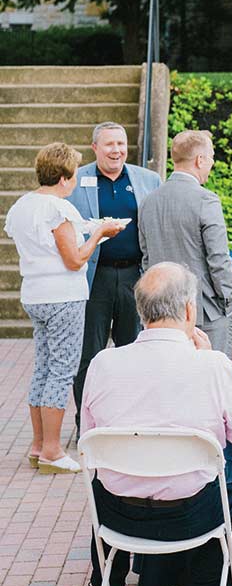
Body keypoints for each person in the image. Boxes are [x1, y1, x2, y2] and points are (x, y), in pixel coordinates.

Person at [71, 263, 232, 586]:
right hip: (193, 516)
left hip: (117, 516)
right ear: (189, 310)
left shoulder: (102, 364)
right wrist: (213, 362)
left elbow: (88, 448)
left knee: (104, 479)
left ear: (140, 311)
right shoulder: (213, 366)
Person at [5, 143, 124, 474]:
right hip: (64, 298)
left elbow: (50, 245)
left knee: (43, 367)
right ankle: (54, 451)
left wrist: (91, 229)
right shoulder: (59, 209)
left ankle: (38, 444)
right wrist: (101, 231)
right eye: (73, 174)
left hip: (35, 294)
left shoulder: (22, 206)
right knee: (61, 370)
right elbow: (74, 260)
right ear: (63, 177)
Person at [66, 122, 161, 430]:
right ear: (95, 148)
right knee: (89, 355)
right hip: (95, 278)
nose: (116, 150)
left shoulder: (148, 180)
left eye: (120, 144)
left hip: (136, 277)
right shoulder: (77, 181)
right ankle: (86, 423)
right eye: (109, 144)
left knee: (134, 352)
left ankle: (130, 420)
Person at [138, 130, 232, 356]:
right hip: (204, 309)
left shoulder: (148, 201)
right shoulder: (206, 199)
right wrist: (228, 300)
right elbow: (218, 259)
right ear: (200, 160)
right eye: (211, 158)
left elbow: (146, 258)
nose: (211, 165)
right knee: (210, 375)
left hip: (160, 311)